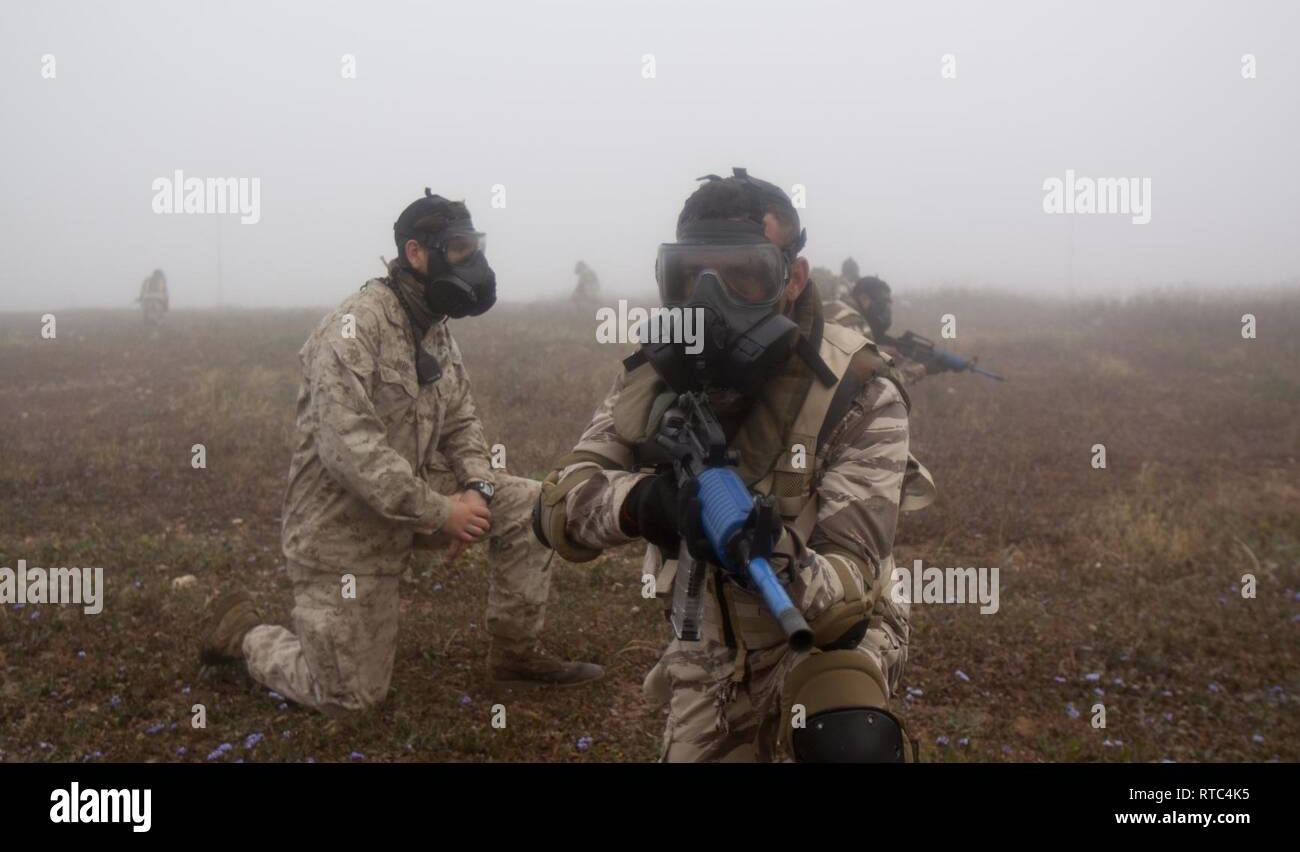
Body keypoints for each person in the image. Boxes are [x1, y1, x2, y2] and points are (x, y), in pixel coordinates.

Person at [534, 169, 934, 761]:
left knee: (848, 745)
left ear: (792, 279)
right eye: (691, 275)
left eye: (745, 275)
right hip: (712, 639)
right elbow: (560, 504)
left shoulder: (858, 389)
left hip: (830, 640)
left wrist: (773, 553)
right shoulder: (656, 374)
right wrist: (652, 506)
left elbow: (849, 591)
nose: (709, 300)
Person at [201, 189, 602, 716]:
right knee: (352, 698)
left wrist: (478, 491)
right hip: (341, 530)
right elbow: (354, 454)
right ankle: (244, 635)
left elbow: (461, 420)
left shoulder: (434, 329)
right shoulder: (351, 331)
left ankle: (515, 655)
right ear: (417, 252)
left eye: (473, 246)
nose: (473, 261)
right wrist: (444, 513)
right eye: (459, 248)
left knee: (531, 507)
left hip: (415, 502)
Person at [823, 276, 933, 385]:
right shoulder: (857, 323)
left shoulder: (829, 307)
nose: (886, 310)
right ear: (864, 298)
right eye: (882, 303)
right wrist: (921, 369)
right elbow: (880, 380)